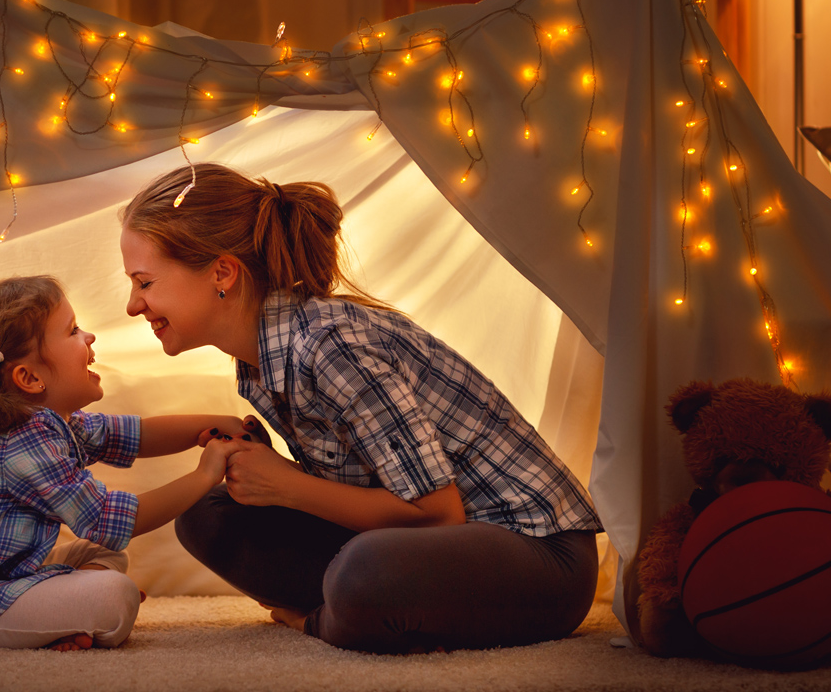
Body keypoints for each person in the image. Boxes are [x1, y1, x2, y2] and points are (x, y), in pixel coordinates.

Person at [119, 163, 603, 654]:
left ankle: (326, 620)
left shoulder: (331, 346)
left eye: (144, 282)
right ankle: (360, 609)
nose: (133, 306)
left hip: (538, 557)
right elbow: (368, 488)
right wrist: (271, 476)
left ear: (222, 273)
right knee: (207, 513)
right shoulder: (260, 361)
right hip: (426, 547)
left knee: (366, 572)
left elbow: (438, 515)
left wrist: (287, 485)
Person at [0, 275, 252, 652]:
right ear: (29, 378)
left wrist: (209, 425)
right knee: (115, 596)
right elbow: (108, 520)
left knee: (101, 555)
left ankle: (63, 617)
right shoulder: (20, 443)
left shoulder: (47, 424)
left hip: (1, 572)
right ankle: (47, 618)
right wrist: (206, 475)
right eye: (73, 330)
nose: (89, 336)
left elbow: (135, 435)